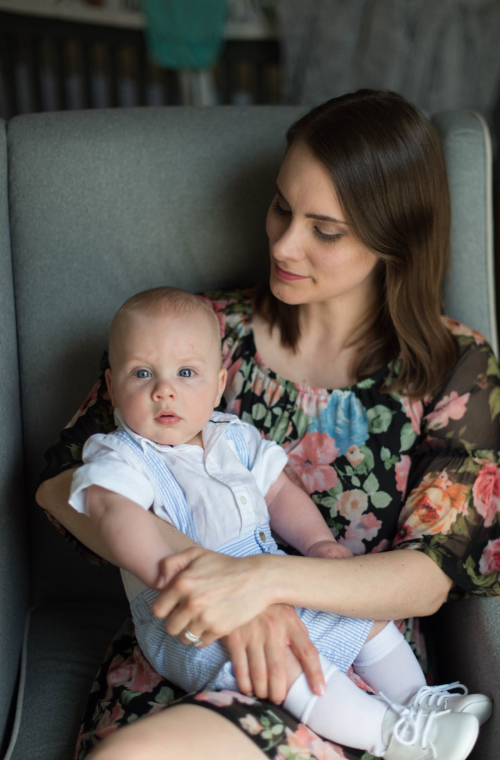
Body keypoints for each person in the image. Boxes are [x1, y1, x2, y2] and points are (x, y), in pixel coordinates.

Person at [36, 89, 500, 760]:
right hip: (190, 646)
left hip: (347, 673)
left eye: (325, 229)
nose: (283, 242)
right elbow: (62, 485)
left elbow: (429, 574)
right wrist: (218, 582)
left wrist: (264, 583)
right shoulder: (195, 335)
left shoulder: (455, 365)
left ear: (395, 237)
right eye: (282, 206)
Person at [67, 286, 490, 759]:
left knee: (365, 617)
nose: (164, 389)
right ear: (110, 385)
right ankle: (392, 735)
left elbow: (279, 492)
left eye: (186, 373)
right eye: (141, 373)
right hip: (190, 620)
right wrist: (178, 576)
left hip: (272, 583)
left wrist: (318, 544)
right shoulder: (119, 453)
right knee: (286, 668)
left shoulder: (233, 436)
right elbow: (112, 512)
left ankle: (422, 702)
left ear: (219, 383)